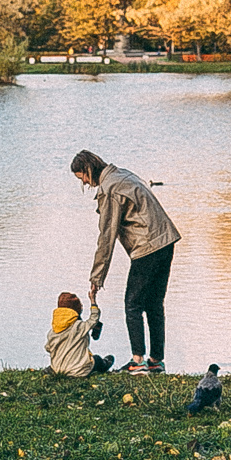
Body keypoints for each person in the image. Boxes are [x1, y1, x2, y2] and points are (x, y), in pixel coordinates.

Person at [71, 149, 180, 376]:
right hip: (166, 240)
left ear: (88, 170)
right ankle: (156, 361)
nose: (83, 182)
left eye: (81, 176)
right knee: (154, 304)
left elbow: (106, 237)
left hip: (147, 247)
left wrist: (96, 278)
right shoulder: (122, 175)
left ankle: (138, 362)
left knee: (132, 305)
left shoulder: (109, 189)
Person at [46, 291, 113, 377]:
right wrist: (93, 300)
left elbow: (48, 348)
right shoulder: (80, 327)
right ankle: (105, 364)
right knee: (97, 359)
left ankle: (55, 369)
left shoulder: (53, 331)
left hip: (58, 369)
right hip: (78, 371)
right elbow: (94, 319)